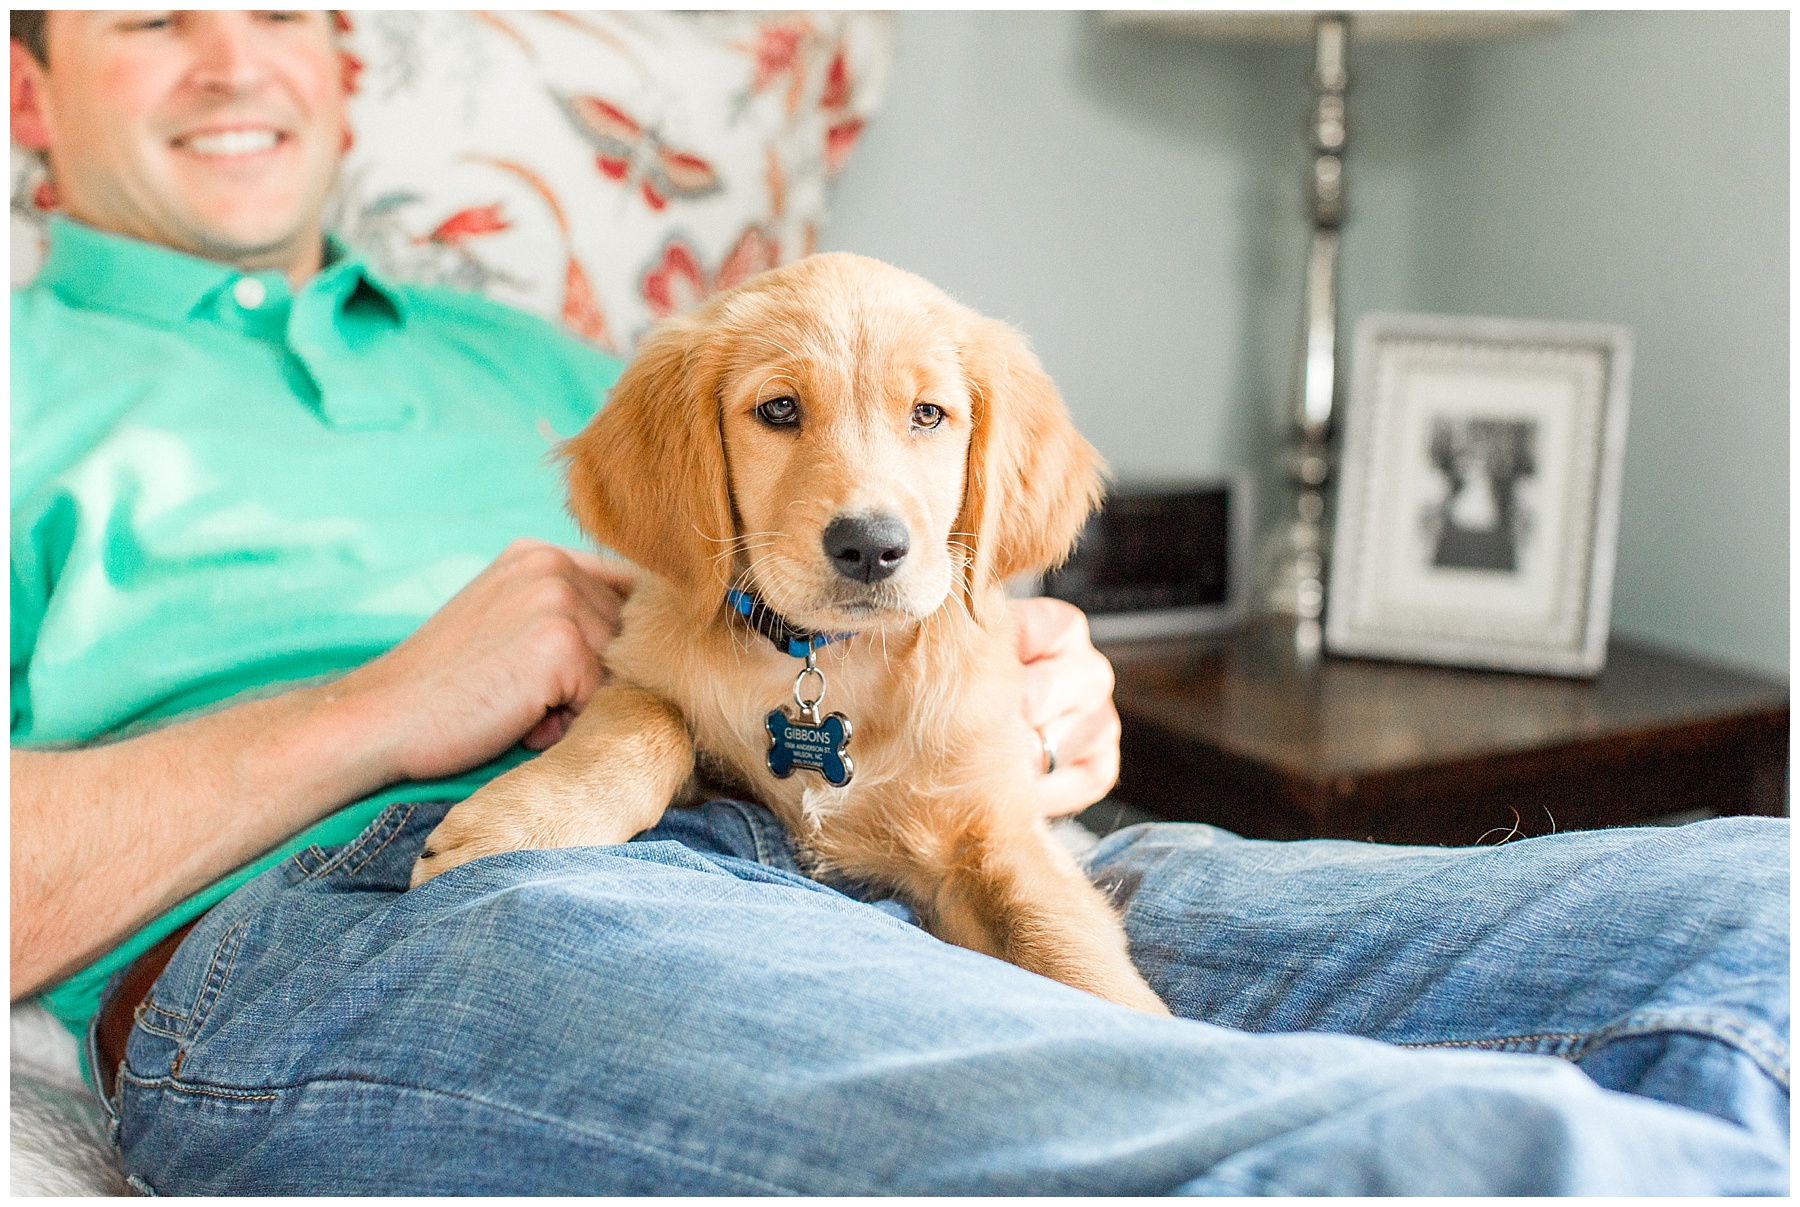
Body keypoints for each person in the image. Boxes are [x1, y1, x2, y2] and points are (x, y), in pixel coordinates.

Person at [9, 11, 1787, 1196]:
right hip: (404, 902)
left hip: (886, 826)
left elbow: (869, 523)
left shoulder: (552, 358)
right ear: (29, 92)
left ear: (342, 76)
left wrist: (1027, 683)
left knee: (1754, 919)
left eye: (285, 15)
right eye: (156, 12)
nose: (231, 57)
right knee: (1414, 1151)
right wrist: (379, 707)